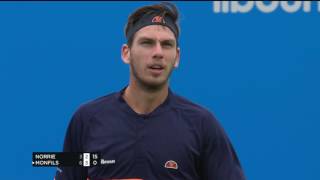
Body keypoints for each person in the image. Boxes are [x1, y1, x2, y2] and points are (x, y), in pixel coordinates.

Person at [55, 2, 245, 180]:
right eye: (147, 43)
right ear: (126, 53)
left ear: (177, 57)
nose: (158, 53)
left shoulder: (202, 124)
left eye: (167, 44)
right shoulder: (86, 119)